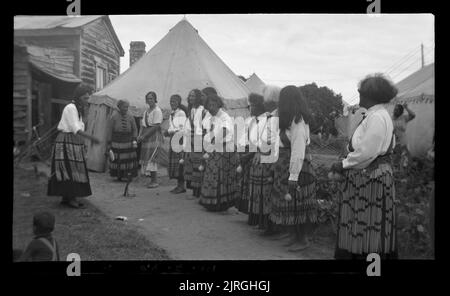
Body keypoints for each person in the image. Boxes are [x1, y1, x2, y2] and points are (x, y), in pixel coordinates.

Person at [331, 73, 398, 259]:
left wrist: (343, 164)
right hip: (369, 176)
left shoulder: (377, 117)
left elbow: (367, 152)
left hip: (371, 177)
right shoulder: (375, 115)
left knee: (369, 226)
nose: (359, 96)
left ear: (371, 95)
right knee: (363, 224)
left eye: (361, 93)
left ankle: (371, 267)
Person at [270, 85, 318, 252]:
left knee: (299, 203)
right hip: (285, 165)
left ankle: (302, 239)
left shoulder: (298, 122)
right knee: (290, 204)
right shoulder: (286, 120)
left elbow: (298, 151)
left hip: (299, 167)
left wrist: (293, 176)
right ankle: (293, 236)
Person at [47, 84, 100, 209]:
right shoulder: (71, 108)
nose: (87, 100)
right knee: (69, 169)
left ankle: (67, 197)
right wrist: (91, 138)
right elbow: (75, 128)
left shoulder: (78, 109)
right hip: (66, 141)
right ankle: (70, 198)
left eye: (88, 98)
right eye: (85, 98)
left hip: (73, 141)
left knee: (73, 168)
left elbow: (80, 125)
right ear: (78, 97)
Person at [199, 94, 240, 211]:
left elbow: (225, 131)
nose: (210, 108)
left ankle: (219, 203)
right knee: (212, 176)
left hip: (223, 150)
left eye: (213, 105)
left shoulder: (224, 117)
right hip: (214, 149)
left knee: (219, 177)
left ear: (218, 104)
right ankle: (211, 202)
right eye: (208, 105)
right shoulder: (210, 116)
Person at [246, 93, 277, 232]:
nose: (250, 108)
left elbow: (270, 140)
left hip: (266, 157)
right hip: (259, 156)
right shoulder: (260, 120)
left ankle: (267, 224)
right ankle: (260, 221)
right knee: (257, 191)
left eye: (252, 105)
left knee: (265, 191)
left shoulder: (270, 119)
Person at [183, 89, 209, 197]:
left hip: (200, 139)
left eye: (193, 96)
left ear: (198, 97)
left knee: (198, 164)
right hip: (191, 139)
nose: (191, 98)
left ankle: (199, 191)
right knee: (190, 163)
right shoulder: (191, 110)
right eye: (190, 96)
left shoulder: (203, 111)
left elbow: (206, 128)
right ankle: (193, 191)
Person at [107, 100, 139, 182]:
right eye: (124, 107)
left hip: (128, 141)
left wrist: (134, 138)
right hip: (116, 141)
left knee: (128, 158)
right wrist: (109, 142)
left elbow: (135, 129)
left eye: (127, 107)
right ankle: (119, 176)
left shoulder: (130, 116)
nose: (126, 109)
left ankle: (128, 175)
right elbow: (110, 130)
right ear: (119, 107)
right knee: (118, 158)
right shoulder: (114, 116)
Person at [137, 91, 164, 188]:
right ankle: (152, 180)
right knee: (147, 157)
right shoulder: (146, 111)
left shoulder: (157, 111)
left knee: (152, 157)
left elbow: (156, 126)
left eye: (151, 98)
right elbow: (143, 125)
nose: (149, 100)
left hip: (154, 136)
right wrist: (140, 135)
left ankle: (155, 180)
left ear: (155, 99)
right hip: (146, 136)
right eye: (148, 98)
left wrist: (145, 136)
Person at [164, 94, 188, 194]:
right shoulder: (172, 113)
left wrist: (169, 132)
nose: (172, 103)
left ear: (178, 102)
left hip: (179, 140)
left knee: (179, 163)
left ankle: (181, 186)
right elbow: (173, 127)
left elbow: (181, 128)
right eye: (171, 101)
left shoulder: (181, 113)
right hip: (174, 139)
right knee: (175, 163)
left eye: (174, 101)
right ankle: (179, 185)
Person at [393, 102, 416, 169]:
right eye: (395, 109)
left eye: (397, 110)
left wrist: (406, 108)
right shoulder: (391, 118)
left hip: (403, 140)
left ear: (401, 111)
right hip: (394, 140)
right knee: (397, 155)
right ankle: (397, 169)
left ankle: (409, 168)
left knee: (405, 154)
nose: (395, 111)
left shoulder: (404, 118)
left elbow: (413, 115)